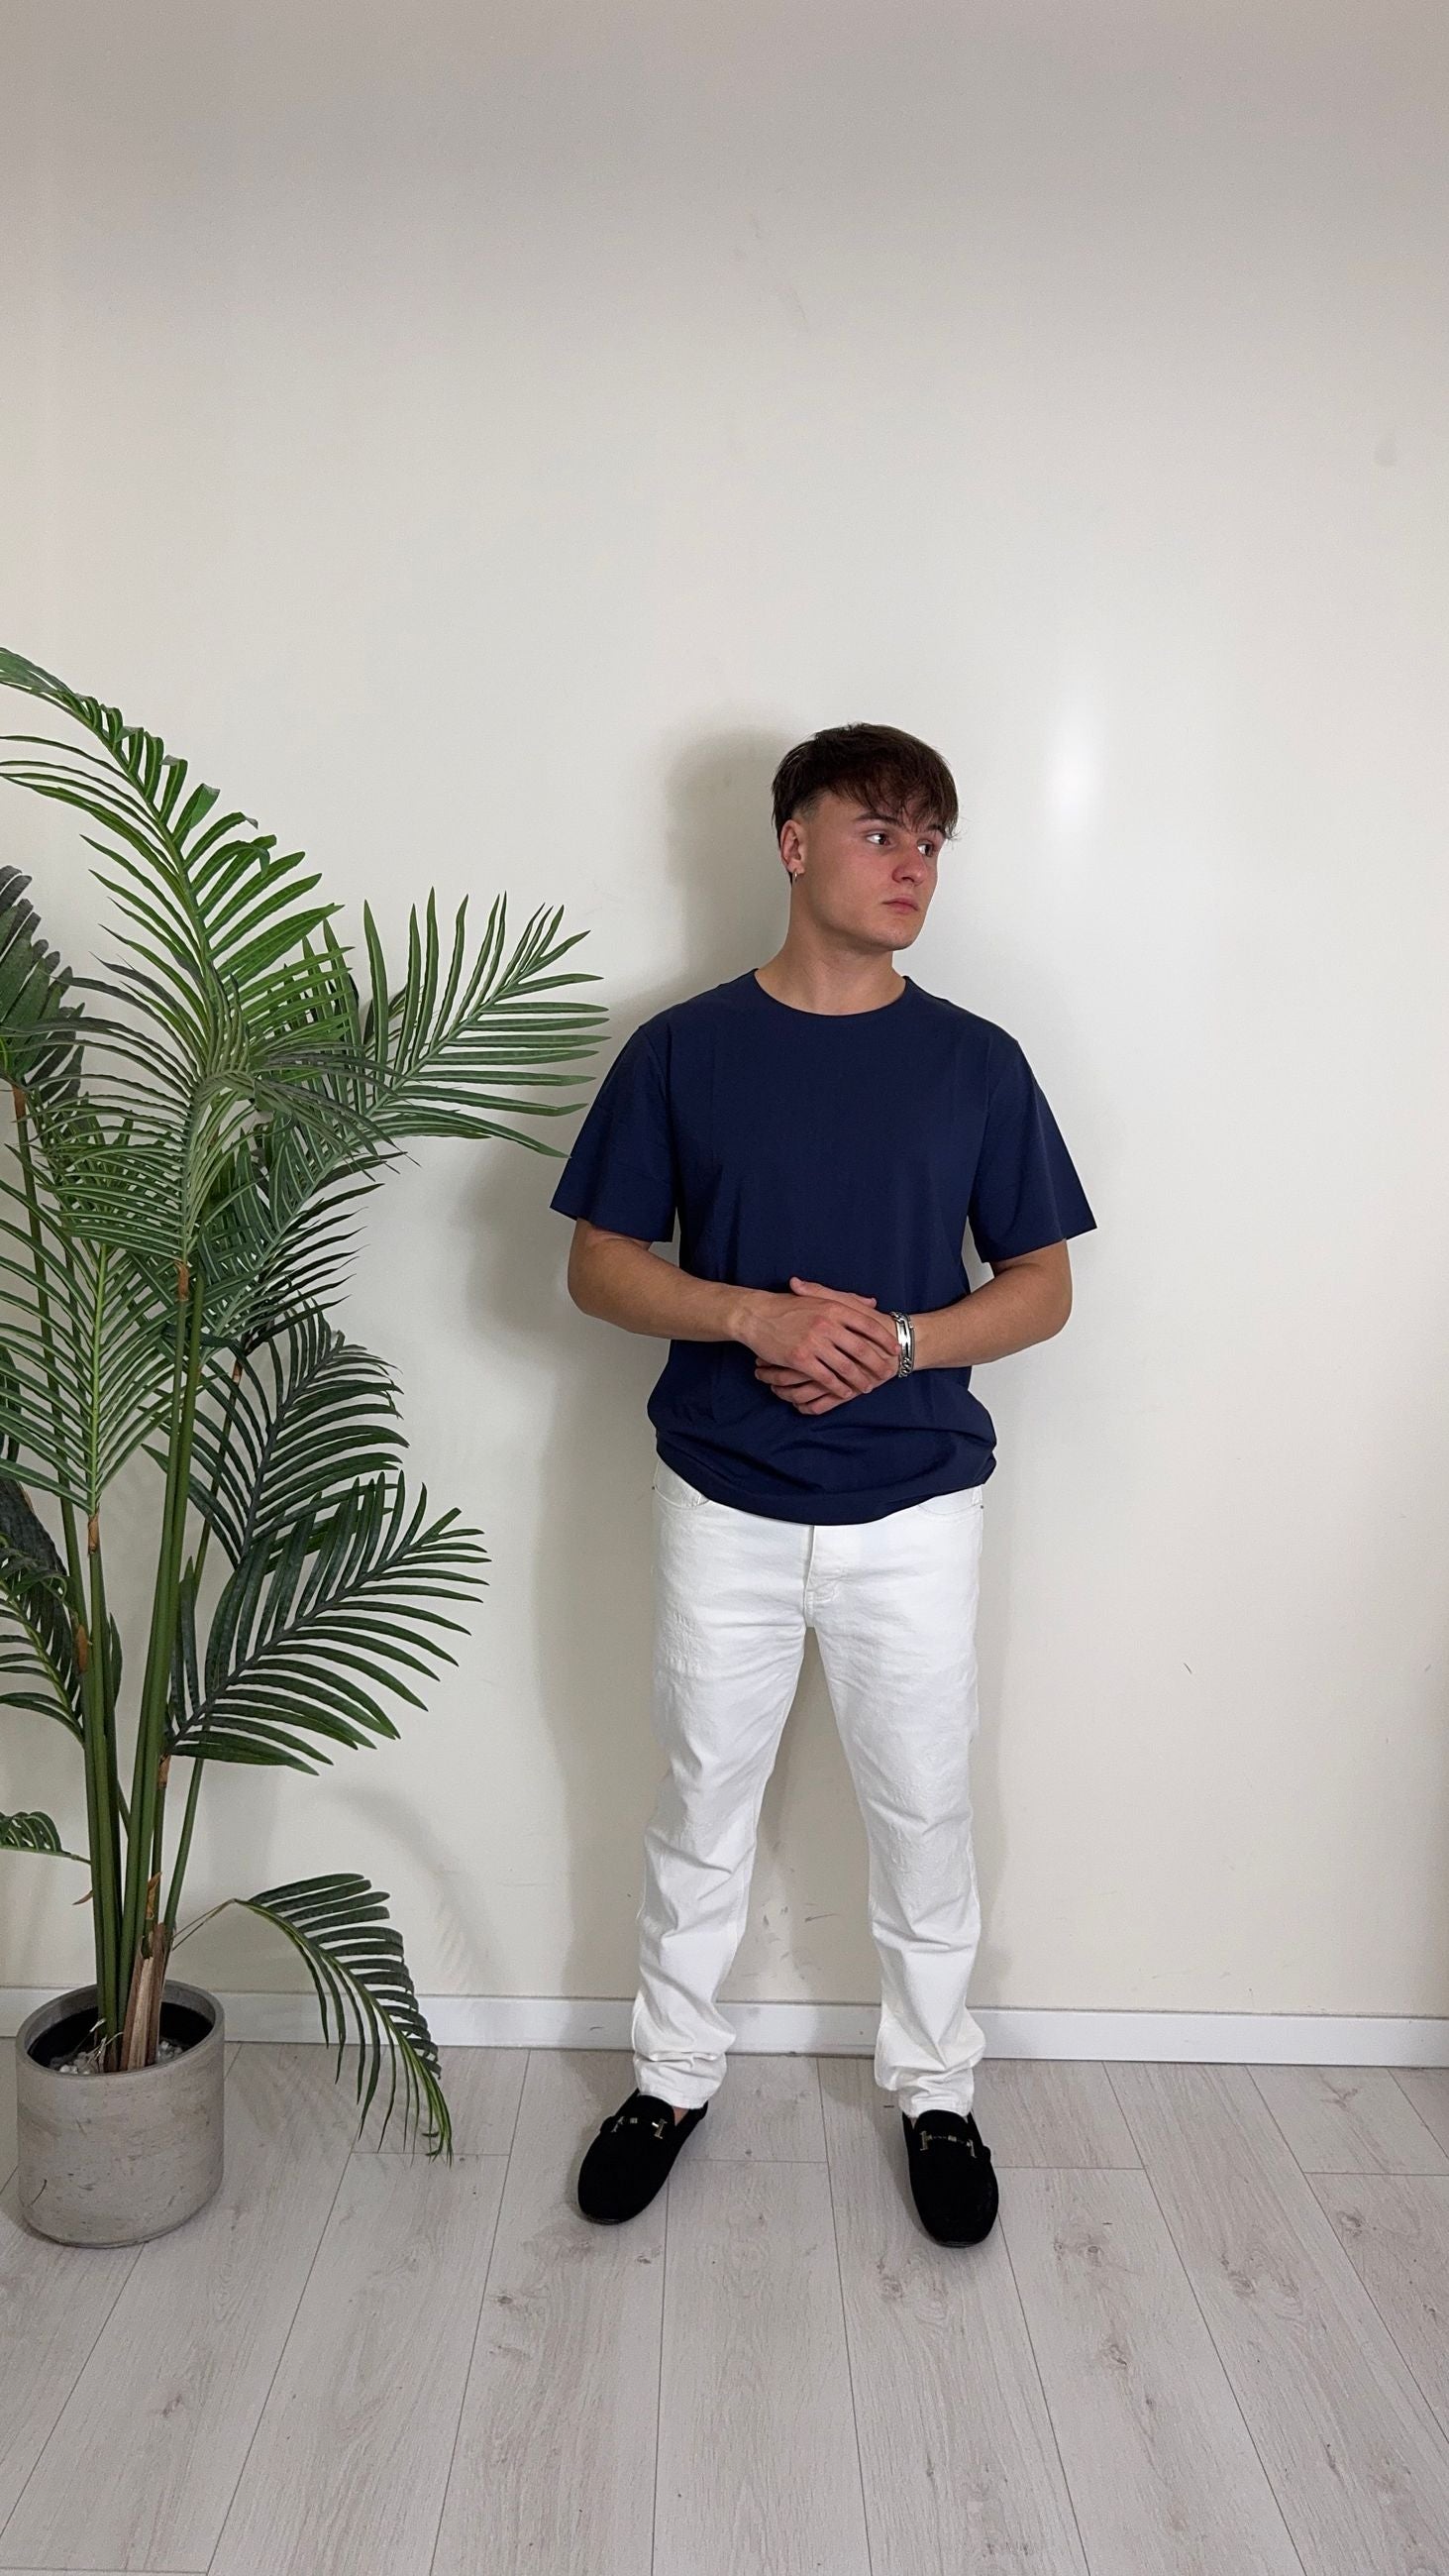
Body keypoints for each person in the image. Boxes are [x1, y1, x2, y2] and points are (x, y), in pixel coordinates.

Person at [549, 721, 1095, 2247]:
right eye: (881, 832)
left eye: (932, 842)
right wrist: (752, 1316)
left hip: (915, 1506)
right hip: (721, 1499)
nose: (913, 865)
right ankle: (669, 2078)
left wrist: (901, 1342)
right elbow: (598, 1265)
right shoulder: (682, 1049)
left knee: (924, 1811)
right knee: (699, 1804)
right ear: (794, 844)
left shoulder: (977, 1062)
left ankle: (935, 2090)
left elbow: (1042, 1287)